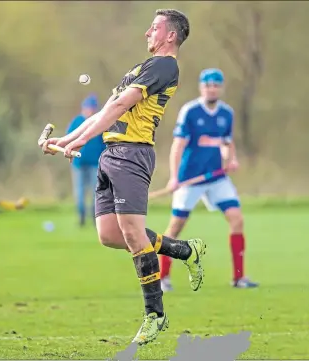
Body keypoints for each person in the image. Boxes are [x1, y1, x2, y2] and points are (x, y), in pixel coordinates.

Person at [40, 9, 203, 346]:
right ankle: (185, 250)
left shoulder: (164, 66)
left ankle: (155, 314)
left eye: (155, 28)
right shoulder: (141, 67)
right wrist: (69, 140)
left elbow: (119, 106)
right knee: (110, 235)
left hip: (132, 154)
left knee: (131, 232)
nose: (148, 32)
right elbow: (106, 109)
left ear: (171, 35)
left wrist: (82, 140)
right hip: (110, 154)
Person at [159, 68, 259, 292]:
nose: (211, 89)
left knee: (237, 219)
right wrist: (174, 177)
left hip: (216, 177)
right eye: (207, 85)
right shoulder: (190, 112)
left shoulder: (227, 113)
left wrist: (230, 159)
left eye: (215, 85)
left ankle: (239, 278)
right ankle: (162, 277)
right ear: (201, 87)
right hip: (190, 178)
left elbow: (226, 143)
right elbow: (178, 146)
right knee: (175, 227)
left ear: (221, 88)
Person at [66, 94, 106, 226]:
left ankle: (95, 219)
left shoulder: (100, 123)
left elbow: (104, 143)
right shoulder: (77, 122)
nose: (89, 111)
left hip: (95, 163)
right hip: (79, 164)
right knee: (80, 191)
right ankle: (81, 216)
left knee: (96, 192)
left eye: (92, 108)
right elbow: (69, 138)